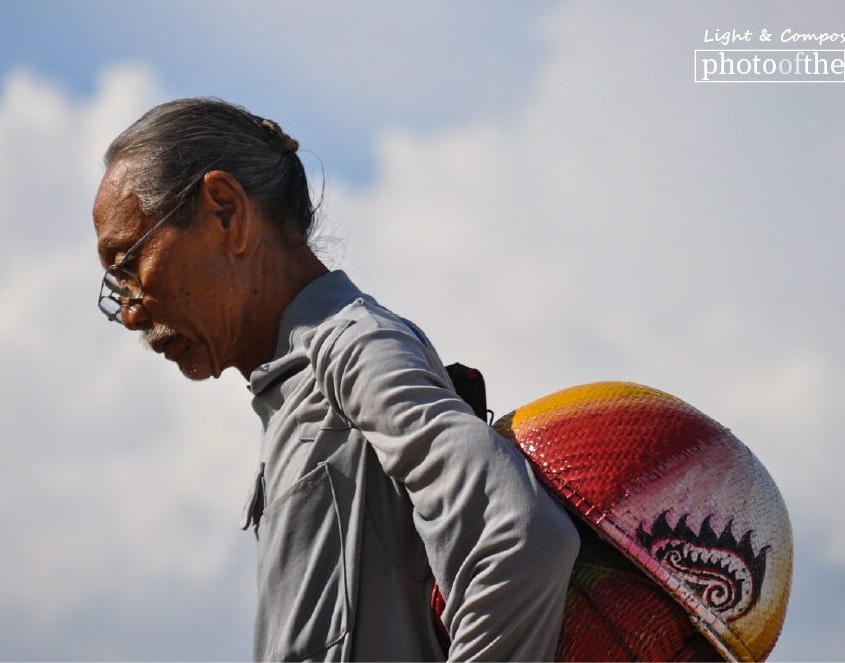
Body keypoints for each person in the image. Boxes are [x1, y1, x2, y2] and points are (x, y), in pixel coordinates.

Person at [92, 98, 580, 662]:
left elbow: (519, 539)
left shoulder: (352, 347)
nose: (130, 310)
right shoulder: (297, 382)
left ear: (225, 211)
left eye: (127, 264)